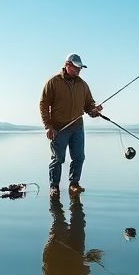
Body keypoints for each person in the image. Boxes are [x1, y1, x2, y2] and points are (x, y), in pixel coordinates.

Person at [39, 53, 103, 200]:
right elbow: (43, 104)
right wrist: (48, 126)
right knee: (58, 159)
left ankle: (74, 184)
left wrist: (94, 111)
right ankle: (54, 187)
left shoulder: (83, 85)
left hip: (77, 128)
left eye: (80, 68)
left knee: (79, 157)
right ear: (67, 65)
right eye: (75, 67)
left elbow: (89, 106)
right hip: (58, 129)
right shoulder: (53, 82)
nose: (78, 70)